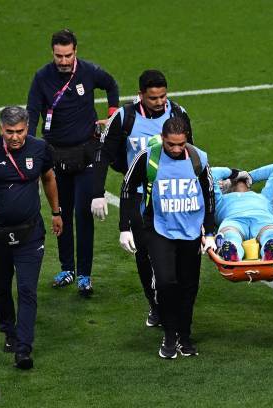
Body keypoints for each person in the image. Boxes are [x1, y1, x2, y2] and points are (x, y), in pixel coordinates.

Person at [0, 106, 63, 370]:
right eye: (9, 132)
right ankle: (8, 330)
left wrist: (56, 212)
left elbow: (48, 177)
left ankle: (23, 348)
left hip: (30, 233)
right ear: (0, 129)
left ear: (27, 128)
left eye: (19, 132)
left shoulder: (40, 149)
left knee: (27, 290)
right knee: (1, 288)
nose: (15, 137)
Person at [91, 69, 192, 326]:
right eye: (154, 98)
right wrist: (98, 193)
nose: (160, 102)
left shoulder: (178, 114)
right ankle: (155, 305)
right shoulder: (125, 117)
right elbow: (104, 154)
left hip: (173, 196)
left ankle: (174, 301)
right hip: (138, 197)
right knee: (145, 254)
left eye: (163, 96)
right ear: (140, 95)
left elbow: (191, 154)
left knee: (178, 252)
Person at [27, 29, 119, 296]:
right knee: (62, 214)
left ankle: (85, 276)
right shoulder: (42, 77)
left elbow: (111, 84)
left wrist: (112, 114)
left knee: (83, 213)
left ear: (75, 51)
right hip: (56, 155)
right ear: (52, 53)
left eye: (68, 55)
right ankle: (67, 268)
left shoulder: (89, 71)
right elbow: (33, 112)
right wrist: (30, 144)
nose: (63, 61)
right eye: (59, 56)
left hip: (87, 153)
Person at [118, 117, 215, 359]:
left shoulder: (198, 158)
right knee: (165, 282)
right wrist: (124, 227)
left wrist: (210, 232)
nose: (176, 149)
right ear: (162, 139)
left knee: (188, 285)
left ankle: (185, 335)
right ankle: (170, 334)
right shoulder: (147, 158)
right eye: (171, 144)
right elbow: (128, 189)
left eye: (181, 144)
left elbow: (209, 194)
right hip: (158, 228)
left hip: (191, 231)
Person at [211, 164, 273, 261]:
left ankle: (270, 249)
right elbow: (211, 173)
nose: (239, 181)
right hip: (233, 222)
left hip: (264, 219)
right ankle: (232, 253)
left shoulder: (265, 197)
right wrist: (234, 173)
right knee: (231, 236)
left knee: (271, 234)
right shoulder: (219, 201)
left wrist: (251, 176)